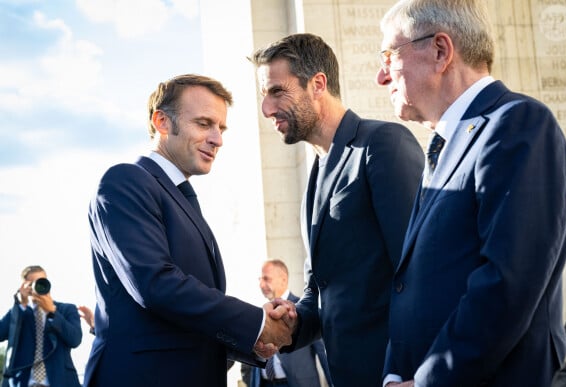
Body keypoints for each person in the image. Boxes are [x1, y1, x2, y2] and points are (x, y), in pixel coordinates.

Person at [375, 1, 566, 386]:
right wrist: (394, 374)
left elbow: (507, 282)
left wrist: (430, 381)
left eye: (388, 54)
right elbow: (412, 287)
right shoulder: (442, 148)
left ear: (440, 51)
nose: (381, 76)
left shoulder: (519, 123)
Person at [83, 74, 293, 387]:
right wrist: (256, 322)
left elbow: (188, 316)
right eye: (204, 123)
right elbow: (156, 285)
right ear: (162, 122)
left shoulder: (179, 196)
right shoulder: (125, 181)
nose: (217, 139)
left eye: (221, 128)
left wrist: (250, 341)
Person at [250, 33, 424, 387]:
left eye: (277, 91)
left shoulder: (382, 145)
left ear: (317, 84)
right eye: (264, 96)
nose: (267, 109)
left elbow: (420, 271)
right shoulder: (312, 183)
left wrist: (418, 374)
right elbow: (320, 289)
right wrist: (294, 320)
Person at [244, 259, 332, 387]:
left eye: (266, 279)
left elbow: (324, 353)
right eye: (260, 280)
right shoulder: (261, 313)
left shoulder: (304, 311)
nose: (261, 285)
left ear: (283, 279)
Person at [0, 265, 82, 387]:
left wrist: (53, 312)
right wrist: (20, 305)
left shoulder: (66, 309)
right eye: (32, 284)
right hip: (24, 383)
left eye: (42, 281)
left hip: (60, 382)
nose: (38, 286)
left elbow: (75, 340)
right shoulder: (18, 313)